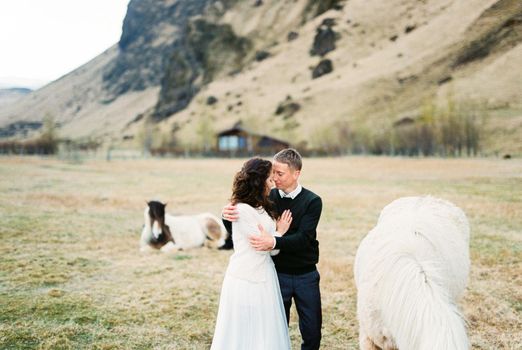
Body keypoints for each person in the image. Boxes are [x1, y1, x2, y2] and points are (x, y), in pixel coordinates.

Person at [222, 148, 323, 350]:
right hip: (277, 274)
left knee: (312, 332)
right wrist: (226, 217)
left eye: (280, 174)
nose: (274, 179)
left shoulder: (313, 201)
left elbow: (304, 238)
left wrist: (275, 240)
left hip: (306, 275)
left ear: (296, 174)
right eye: (272, 174)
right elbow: (244, 224)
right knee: (274, 329)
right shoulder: (268, 197)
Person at [211, 157, 293, 350]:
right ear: (258, 180)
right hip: (245, 277)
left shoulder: (263, 207)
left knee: (264, 329)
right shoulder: (241, 210)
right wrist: (279, 232)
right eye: (269, 178)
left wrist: (274, 238)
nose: (273, 182)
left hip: (265, 275)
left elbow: (272, 249)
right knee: (244, 328)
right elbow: (263, 245)